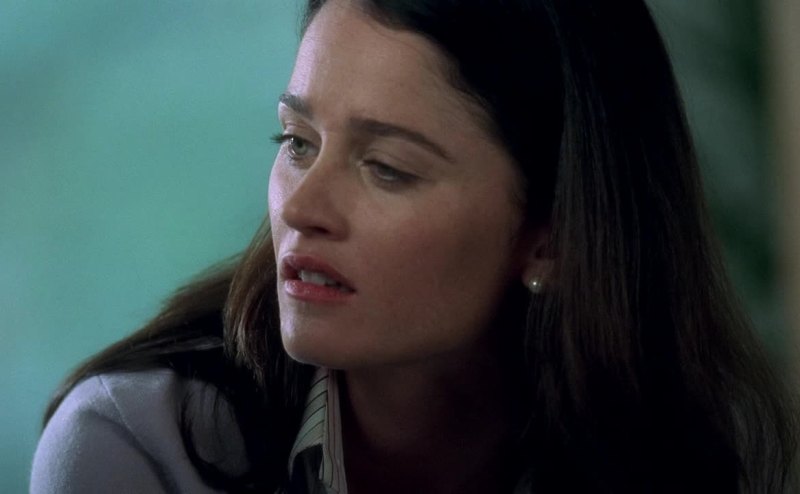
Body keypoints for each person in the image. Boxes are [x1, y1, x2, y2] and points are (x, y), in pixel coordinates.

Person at [31, 0, 798, 492]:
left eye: (387, 168)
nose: (300, 208)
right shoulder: (139, 447)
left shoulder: (706, 452)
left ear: (554, 236)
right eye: (297, 142)